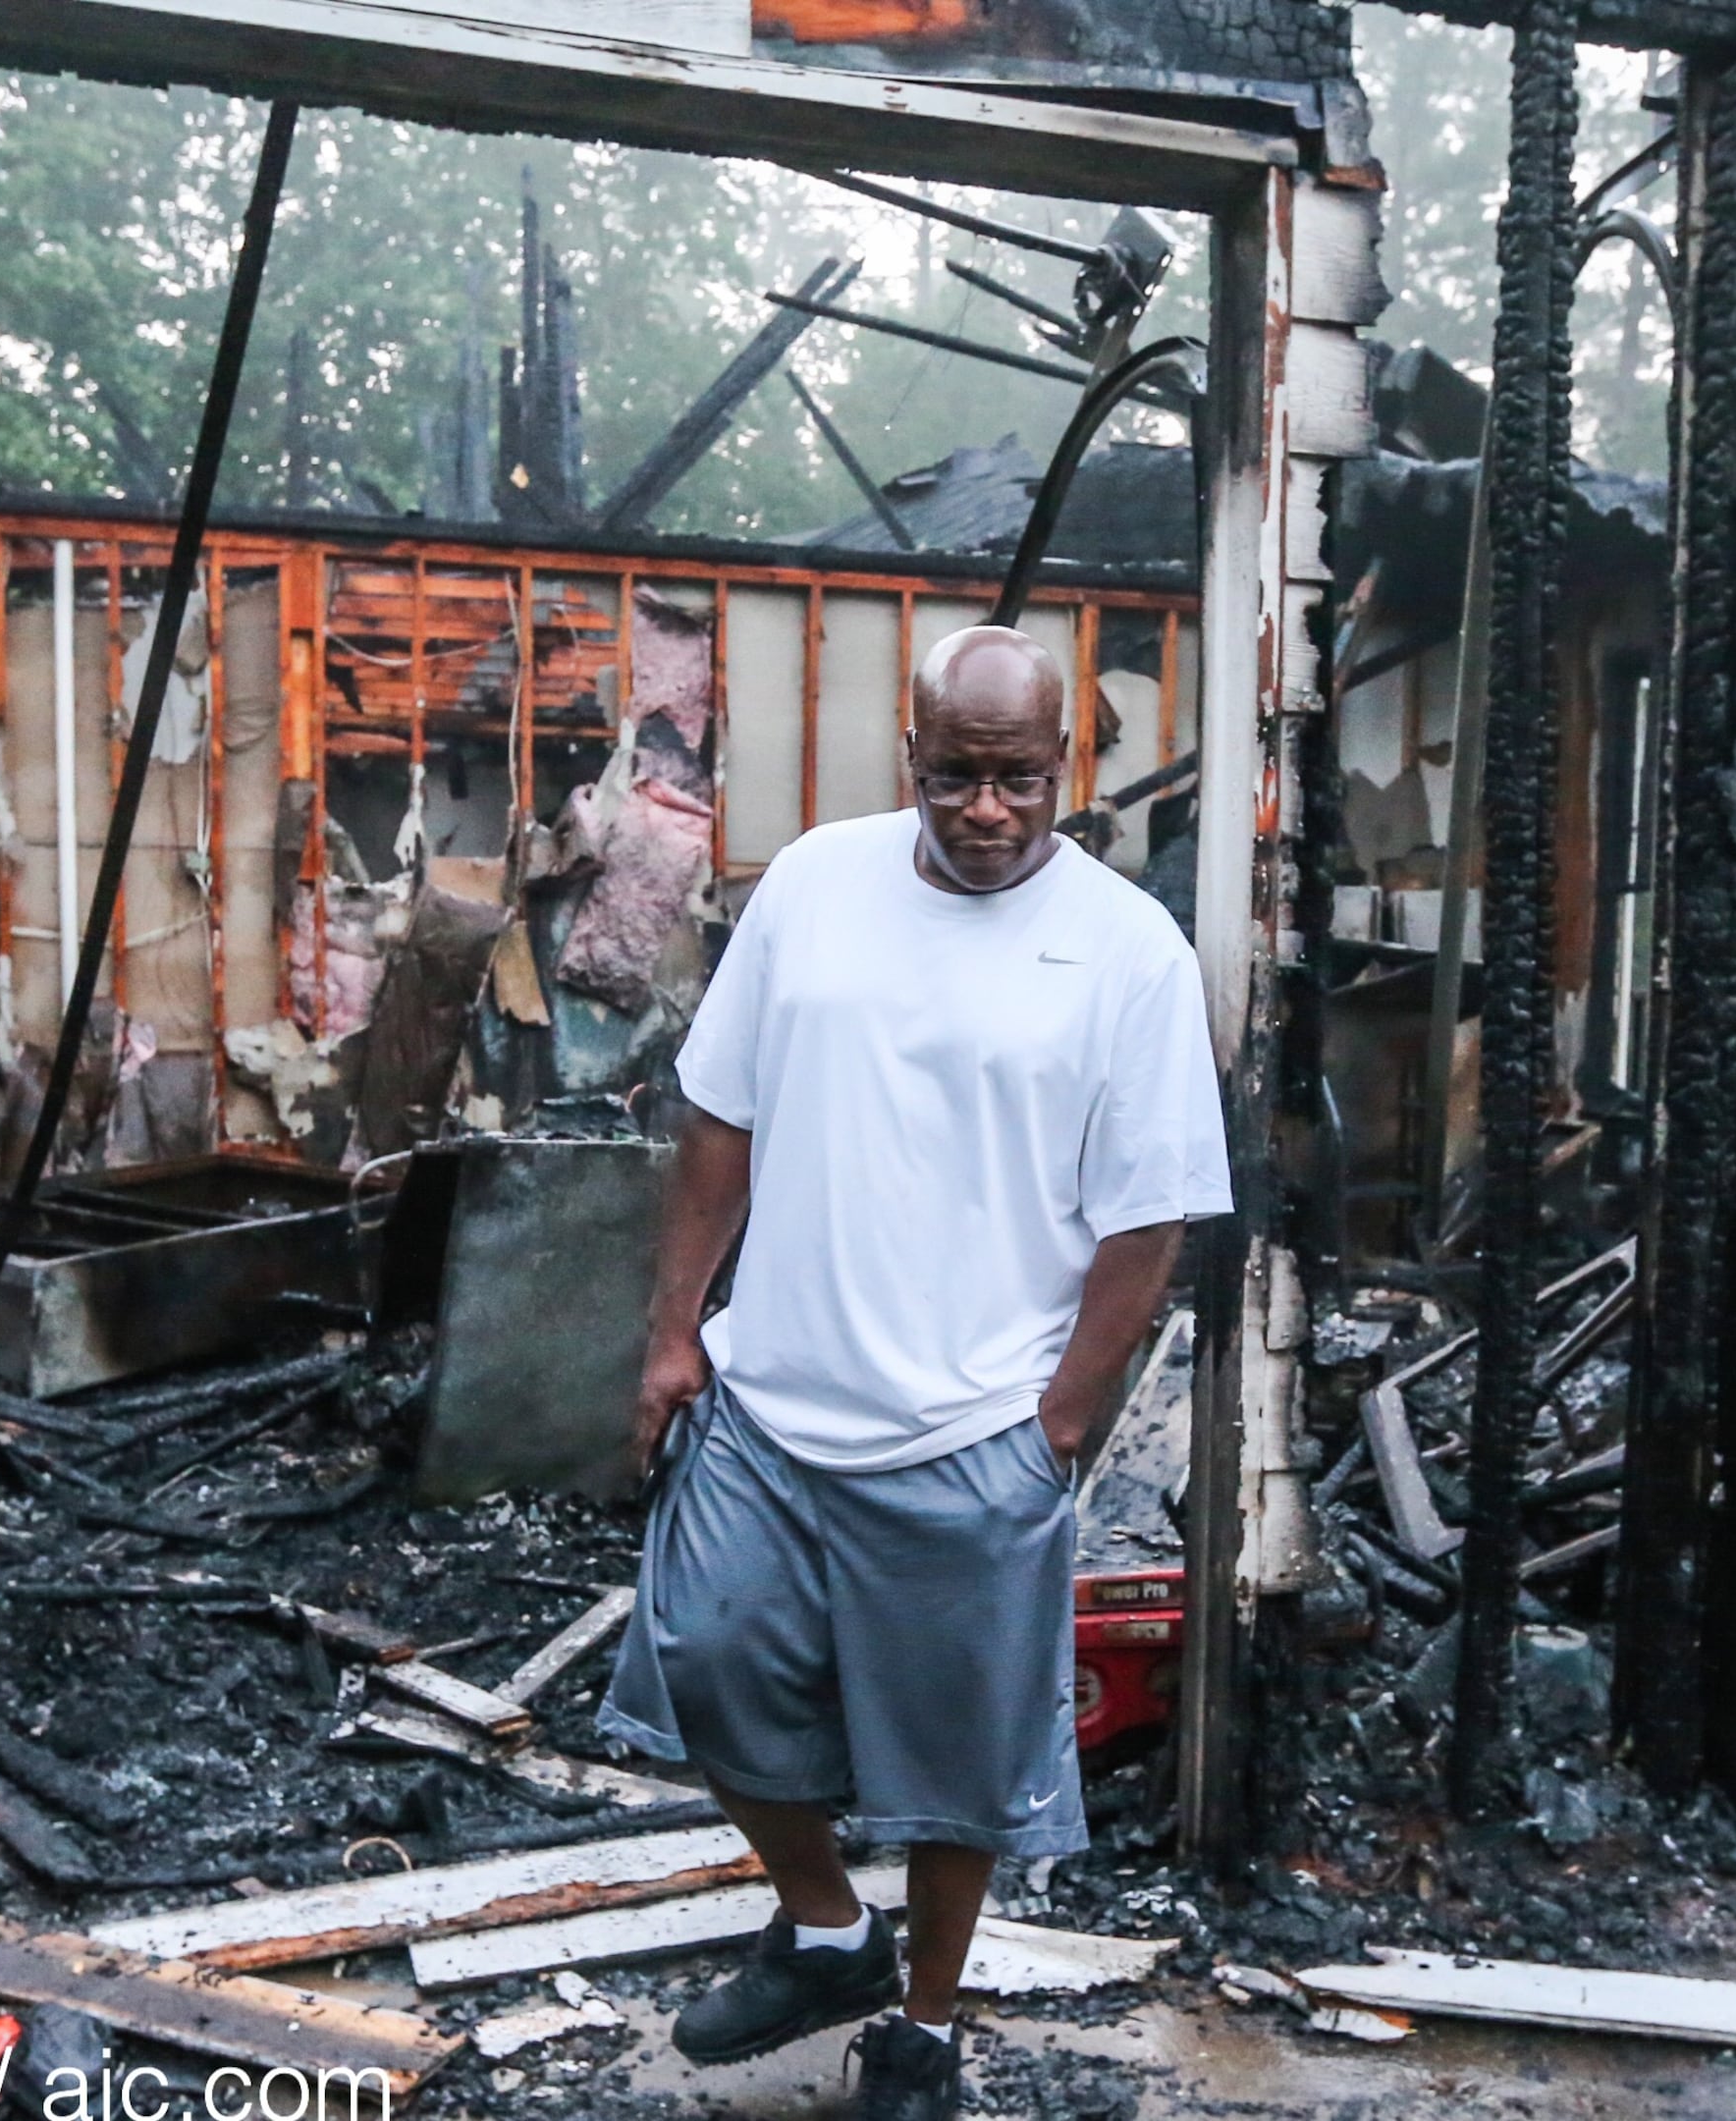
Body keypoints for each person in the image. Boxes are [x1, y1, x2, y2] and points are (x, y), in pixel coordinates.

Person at [598, 625, 1228, 2119]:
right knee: (707, 1661)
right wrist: (677, 1332)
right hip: (772, 1400)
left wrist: (1057, 1422)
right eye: (957, 777)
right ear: (913, 760)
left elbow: (1150, 1220)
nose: (989, 810)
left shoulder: (1129, 950)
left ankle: (925, 2031)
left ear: (1066, 766)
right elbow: (718, 1121)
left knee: (958, 1763)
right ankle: (826, 1929)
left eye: (1019, 779)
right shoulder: (817, 882)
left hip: (970, 1423)